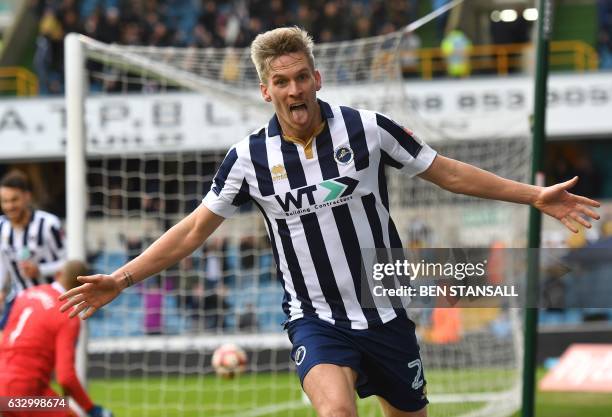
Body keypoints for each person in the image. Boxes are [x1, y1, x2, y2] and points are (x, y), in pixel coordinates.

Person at [59, 27, 600, 417]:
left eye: (301, 77)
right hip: (314, 316)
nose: (294, 91)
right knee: (336, 411)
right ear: (264, 90)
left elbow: (447, 173)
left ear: (316, 77)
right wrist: (121, 278)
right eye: (281, 82)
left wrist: (534, 196)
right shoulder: (247, 158)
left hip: (385, 310)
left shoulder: (368, 129)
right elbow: (194, 229)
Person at [0, 260, 113, 417]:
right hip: (25, 393)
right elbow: (65, 376)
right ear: (87, 289)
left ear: (58, 274)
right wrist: (91, 409)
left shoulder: (26, 294)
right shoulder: (68, 314)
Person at [0, 170, 67, 335]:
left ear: (27, 197)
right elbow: (3, 262)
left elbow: (70, 263)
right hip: (20, 299)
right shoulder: (1, 227)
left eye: (14, 200)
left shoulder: (48, 224)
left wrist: (40, 270)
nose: (9, 206)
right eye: (4, 201)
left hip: (51, 301)